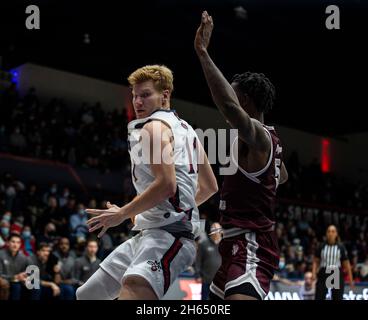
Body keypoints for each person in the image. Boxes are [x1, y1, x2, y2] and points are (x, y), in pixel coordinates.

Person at [76, 64, 218, 300]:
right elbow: (210, 187)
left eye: (145, 95)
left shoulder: (153, 127)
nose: (137, 102)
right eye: (134, 96)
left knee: (132, 291)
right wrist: (166, 211)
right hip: (150, 233)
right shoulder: (188, 130)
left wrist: (122, 213)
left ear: (165, 95)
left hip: (169, 238)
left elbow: (166, 186)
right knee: (88, 295)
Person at [194, 11, 288, 300]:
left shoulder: (258, 136)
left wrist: (202, 52)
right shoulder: (267, 143)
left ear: (244, 100)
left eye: (234, 96)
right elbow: (281, 176)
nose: (229, 104)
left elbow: (229, 107)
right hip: (233, 244)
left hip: (252, 245)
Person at [312, 225, 354, 300]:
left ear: (336, 234)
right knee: (319, 296)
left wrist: (351, 280)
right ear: (326, 233)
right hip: (323, 271)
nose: (330, 233)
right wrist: (313, 273)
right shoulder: (321, 246)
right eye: (329, 231)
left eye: (333, 231)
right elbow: (315, 261)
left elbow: (346, 264)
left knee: (337, 297)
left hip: (336, 272)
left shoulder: (341, 247)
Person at [195, 222, 222, 300]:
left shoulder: (224, 245)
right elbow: (198, 261)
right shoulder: (204, 244)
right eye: (214, 230)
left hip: (219, 282)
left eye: (218, 230)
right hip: (205, 280)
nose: (216, 232)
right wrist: (198, 275)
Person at [0, 233, 30, 300]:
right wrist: (14, 277)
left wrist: (26, 277)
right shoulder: (1, 254)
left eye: (18, 242)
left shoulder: (23, 257)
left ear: (20, 245)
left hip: (18, 281)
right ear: (7, 243)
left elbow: (28, 271)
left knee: (35, 286)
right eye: (13, 242)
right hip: (5, 281)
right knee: (16, 286)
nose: (15, 245)